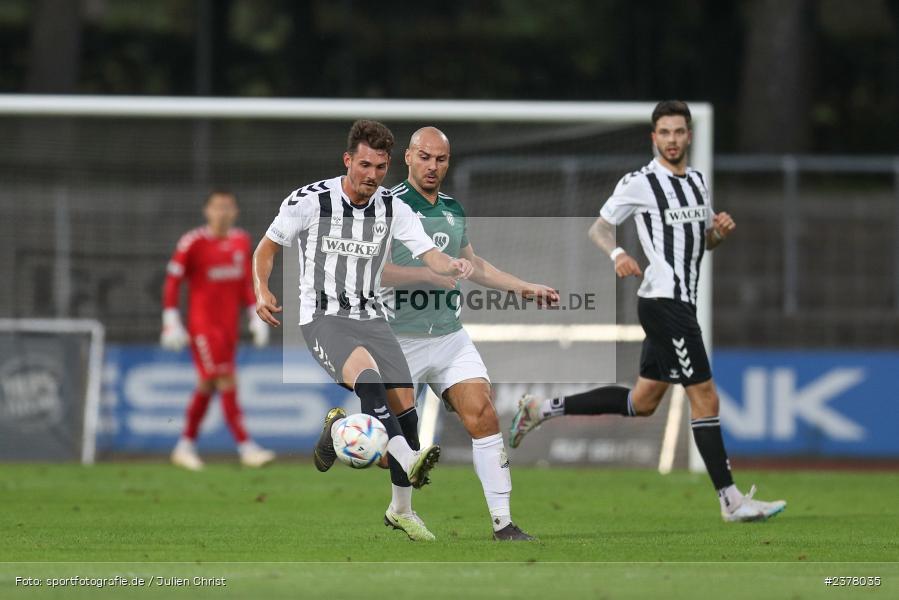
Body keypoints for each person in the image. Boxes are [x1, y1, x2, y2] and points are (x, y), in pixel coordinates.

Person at [509, 100, 786, 523]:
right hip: (664, 303)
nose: (672, 140)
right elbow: (599, 227)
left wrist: (719, 234)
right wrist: (619, 253)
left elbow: (704, 241)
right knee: (706, 396)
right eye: (664, 133)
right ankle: (730, 500)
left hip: (680, 302)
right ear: (653, 137)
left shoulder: (696, 181)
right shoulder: (640, 182)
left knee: (643, 401)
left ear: (689, 135)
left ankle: (541, 409)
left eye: (679, 132)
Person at [252, 120, 473, 538]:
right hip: (323, 318)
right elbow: (267, 248)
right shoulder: (311, 200)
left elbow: (431, 255)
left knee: (404, 414)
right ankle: (407, 460)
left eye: (380, 168)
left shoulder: (394, 208)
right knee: (370, 383)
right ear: (348, 160)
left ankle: (396, 505)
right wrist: (261, 289)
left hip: (372, 318)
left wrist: (453, 265)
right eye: (365, 165)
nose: (372, 176)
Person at [379, 127, 558, 541]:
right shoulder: (385, 207)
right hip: (397, 338)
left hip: (447, 337)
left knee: (483, 413)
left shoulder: (453, 209)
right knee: (394, 446)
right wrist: (428, 275)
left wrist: (525, 288)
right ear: (407, 157)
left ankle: (503, 524)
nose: (433, 166)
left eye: (441, 159)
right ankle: (397, 506)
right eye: (425, 157)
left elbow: (472, 266)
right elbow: (375, 271)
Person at [161, 190, 275, 470]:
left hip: (228, 329)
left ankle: (184, 445)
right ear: (207, 211)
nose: (222, 212)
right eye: (217, 207)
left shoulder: (241, 240)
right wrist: (171, 319)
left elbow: (243, 285)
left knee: (208, 383)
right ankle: (246, 447)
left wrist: (254, 313)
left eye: (228, 207)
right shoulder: (193, 242)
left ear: (235, 212)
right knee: (225, 379)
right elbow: (173, 282)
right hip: (203, 328)